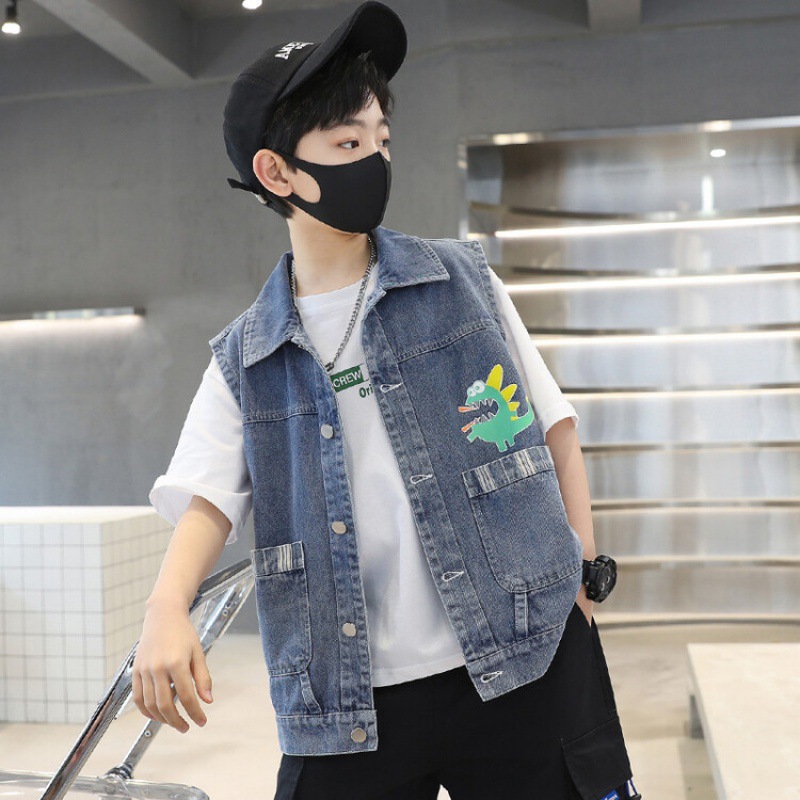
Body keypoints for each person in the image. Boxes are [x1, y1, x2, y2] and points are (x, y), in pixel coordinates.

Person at [132, 2, 641, 799]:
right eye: (347, 143)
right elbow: (206, 497)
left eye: (381, 139)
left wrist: (581, 578)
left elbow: (554, 429)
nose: (373, 158)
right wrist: (166, 608)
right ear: (276, 173)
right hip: (348, 697)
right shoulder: (247, 355)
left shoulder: (462, 283)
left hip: (525, 657)